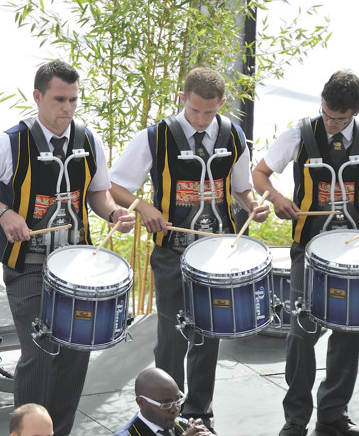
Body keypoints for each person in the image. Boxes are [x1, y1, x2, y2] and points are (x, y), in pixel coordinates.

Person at [0, 60, 135, 435]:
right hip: (29, 266)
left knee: (76, 352)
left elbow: (98, 194)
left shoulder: (90, 140)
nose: (67, 108)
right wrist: (4, 213)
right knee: (40, 352)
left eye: (73, 99)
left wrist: (114, 213)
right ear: (38, 97)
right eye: (58, 99)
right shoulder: (8, 142)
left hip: (79, 268)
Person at [109, 67, 269, 432]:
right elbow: (116, 184)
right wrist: (144, 207)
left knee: (208, 334)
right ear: (183, 99)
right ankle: (168, 417)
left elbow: (243, 189)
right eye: (195, 110)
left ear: (222, 105)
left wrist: (254, 206)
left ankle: (201, 415)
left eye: (209, 113)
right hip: (172, 251)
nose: (200, 119)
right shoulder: (156, 136)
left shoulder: (234, 134)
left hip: (216, 253)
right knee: (171, 336)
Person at [252, 70, 359, 436]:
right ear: (322, 102)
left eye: (341, 118)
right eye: (328, 114)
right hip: (309, 247)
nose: (333, 123)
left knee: (350, 329)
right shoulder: (298, 133)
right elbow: (261, 174)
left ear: (356, 111)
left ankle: (333, 415)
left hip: (357, 251)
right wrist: (280, 199)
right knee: (302, 331)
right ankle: (295, 419)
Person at [114, 368, 212, 436]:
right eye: (166, 405)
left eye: (178, 400)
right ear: (141, 402)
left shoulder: (183, 425)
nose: (175, 409)